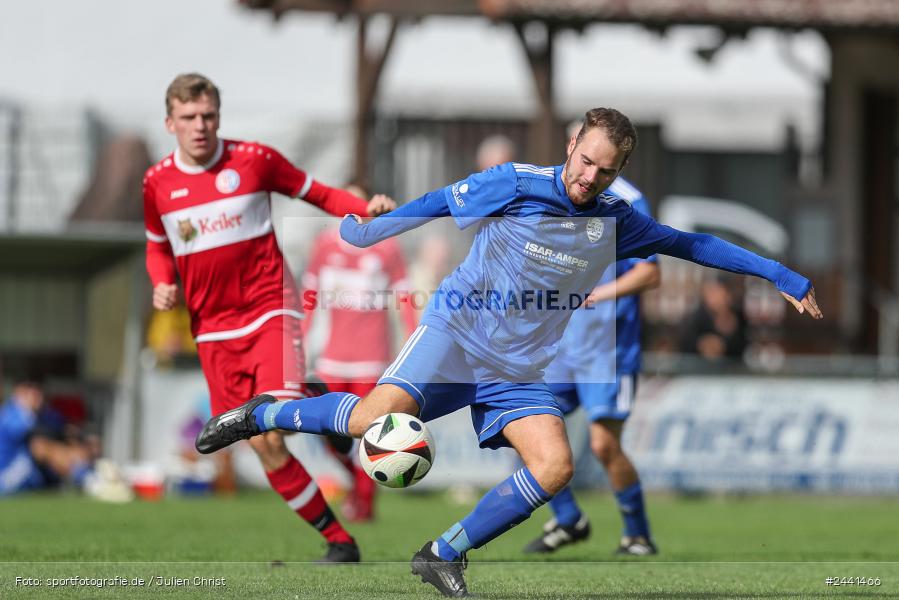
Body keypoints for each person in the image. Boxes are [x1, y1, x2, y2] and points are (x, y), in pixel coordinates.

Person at [196, 107, 822, 596]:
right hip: (455, 333)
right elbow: (440, 201)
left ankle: (441, 554)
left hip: (514, 368)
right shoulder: (514, 183)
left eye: (605, 171)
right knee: (368, 422)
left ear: (618, 172)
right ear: (571, 145)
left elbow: (694, 244)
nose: (589, 178)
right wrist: (367, 230)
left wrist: (782, 276)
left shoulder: (616, 222)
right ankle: (258, 415)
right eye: (585, 162)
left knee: (555, 466)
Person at [143, 73, 394, 562]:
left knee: (274, 417)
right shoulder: (157, 184)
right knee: (264, 445)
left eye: (209, 115)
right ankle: (339, 539)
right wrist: (161, 281)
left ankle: (318, 407)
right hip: (213, 331)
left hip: (267, 310)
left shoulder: (254, 161)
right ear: (170, 122)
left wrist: (365, 207)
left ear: (218, 115)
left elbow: (317, 193)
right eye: (190, 118)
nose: (201, 126)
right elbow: (157, 248)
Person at [524, 175, 661, 556]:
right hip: (561, 346)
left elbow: (650, 273)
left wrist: (598, 294)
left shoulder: (629, 201)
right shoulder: (556, 192)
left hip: (608, 349)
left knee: (604, 446)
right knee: (522, 425)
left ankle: (638, 535)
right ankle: (568, 519)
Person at [302, 183, 418, 521]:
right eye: (346, 202)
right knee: (327, 432)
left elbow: (405, 299)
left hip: (372, 359)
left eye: (357, 203)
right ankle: (355, 482)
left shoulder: (387, 248)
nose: (350, 211)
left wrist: (413, 341)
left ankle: (364, 506)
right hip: (331, 360)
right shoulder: (324, 245)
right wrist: (299, 342)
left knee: (372, 435)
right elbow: (309, 298)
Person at [0, 377, 131, 502]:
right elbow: (38, 434)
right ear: (18, 392)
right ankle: (90, 481)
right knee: (40, 445)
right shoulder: (10, 414)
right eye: (30, 388)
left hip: (37, 476)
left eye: (38, 388)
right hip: (8, 479)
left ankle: (96, 477)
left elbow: (64, 429)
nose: (36, 393)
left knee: (80, 444)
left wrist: (80, 442)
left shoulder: (44, 413)